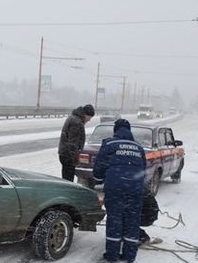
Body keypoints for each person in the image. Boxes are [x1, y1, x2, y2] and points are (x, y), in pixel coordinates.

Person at [93, 119, 146, 263]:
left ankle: (112, 255)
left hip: (115, 187)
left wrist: (98, 179)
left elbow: (99, 167)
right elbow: (143, 169)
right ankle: (129, 256)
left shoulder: (109, 144)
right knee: (132, 220)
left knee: (115, 220)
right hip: (135, 188)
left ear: (115, 130)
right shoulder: (139, 147)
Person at [58, 104, 95, 181]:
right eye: (90, 117)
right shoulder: (76, 123)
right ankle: (68, 192)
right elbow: (72, 143)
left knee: (66, 178)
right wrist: (75, 158)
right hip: (68, 155)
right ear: (86, 115)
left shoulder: (73, 118)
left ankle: (67, 191)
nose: (89, 120)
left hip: (64, 153)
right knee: (68, 180)